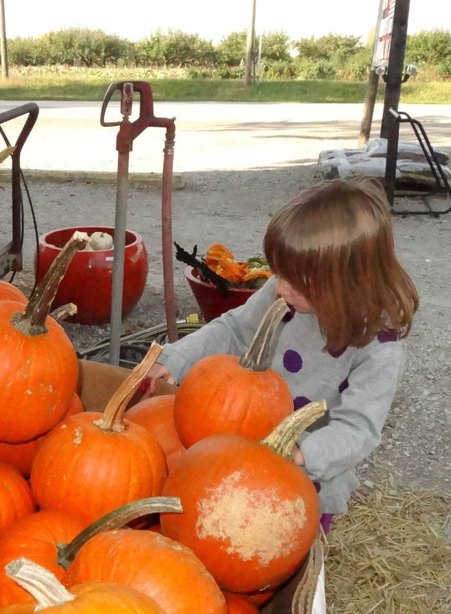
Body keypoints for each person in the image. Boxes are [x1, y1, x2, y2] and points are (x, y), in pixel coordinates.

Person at [144, 177, 419, 532]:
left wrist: (300, 452)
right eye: (280, 273)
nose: (280, 286)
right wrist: (174, 358)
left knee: (274, 542)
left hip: (303, 480)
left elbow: (358, 428)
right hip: (243, 448)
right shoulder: (283, 293)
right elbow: (232, 330)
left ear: (347, 282)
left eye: (296, 281)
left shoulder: (378, 346)